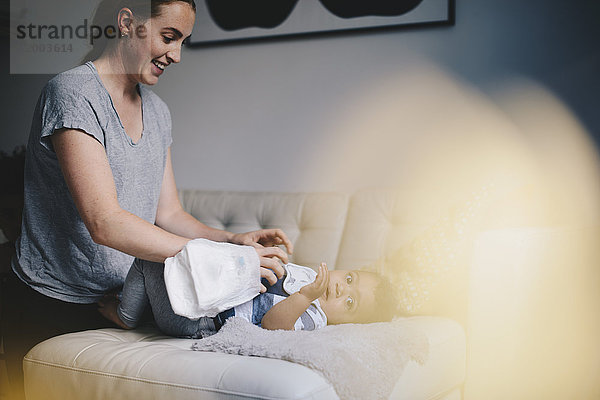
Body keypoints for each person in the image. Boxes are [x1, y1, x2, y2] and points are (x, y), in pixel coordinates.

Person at [0, 0, 292, 398]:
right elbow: (105, 222)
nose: (176, 55)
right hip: (52, 301)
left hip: (122, 304)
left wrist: (231, 241)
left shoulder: (158, 111)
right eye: (169, 37)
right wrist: (218, 259)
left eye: (183, 41)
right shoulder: (72, 92)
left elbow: (168, 213)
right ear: (126, 23)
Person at [98, 260, 398, 336]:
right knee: (176, 262)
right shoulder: (306, 277)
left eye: (350, 303)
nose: (340, 289)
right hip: (208, 295)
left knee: (147, 261)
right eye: (349, 279)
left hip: (199, 320)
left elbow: (272, 325)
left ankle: (127, 316)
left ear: (347, 323)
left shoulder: (313, 318)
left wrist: (307, 297)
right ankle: (141, 301)